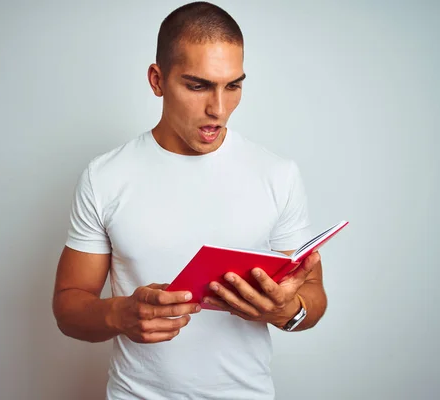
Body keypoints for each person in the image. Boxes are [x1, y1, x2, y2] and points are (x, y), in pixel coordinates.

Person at [52, 2, 327, 399]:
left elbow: (313, 295)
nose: (218, 109)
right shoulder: (105, 176)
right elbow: (68, 307)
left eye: (233, 85)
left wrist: (285, 310)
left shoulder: (277, 174)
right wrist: (119, 314)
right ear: (157, 79)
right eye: (198, 85)